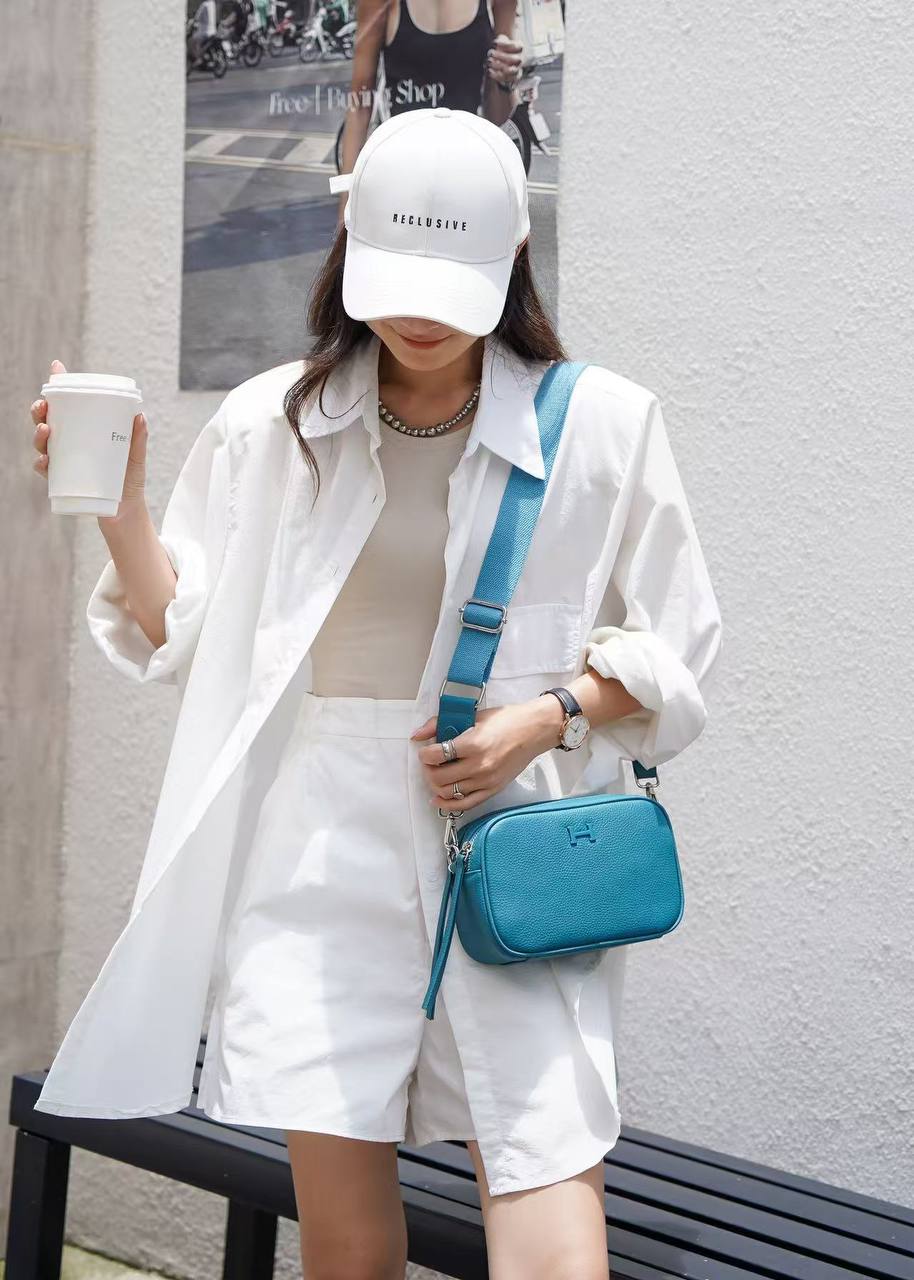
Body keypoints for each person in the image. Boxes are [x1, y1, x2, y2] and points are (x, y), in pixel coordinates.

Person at [28, 108, 722, 1278]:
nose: (417, 316)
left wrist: (545, 717)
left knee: (545, 1196)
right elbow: (183, 633)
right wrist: (121, 505)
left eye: (450, 288)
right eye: (393, 280)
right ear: (348, 243)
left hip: (509, 839)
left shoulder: (602, 424)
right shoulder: (276, 422)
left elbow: (677, 645)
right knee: (345, 1237)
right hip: (321, 848)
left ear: (512, 254)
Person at [338, 0, 524, 180]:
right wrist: (347, 194)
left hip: (467, 175)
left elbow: (496, 118)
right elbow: (359, 106)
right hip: (403, 176)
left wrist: (506, 80)